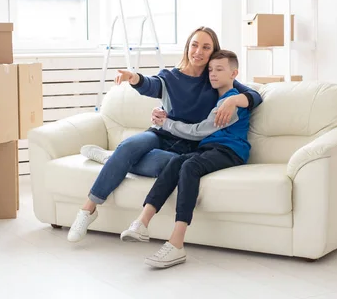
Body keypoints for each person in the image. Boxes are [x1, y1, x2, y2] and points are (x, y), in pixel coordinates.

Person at [67, 27, 262, 243]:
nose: (198, 51)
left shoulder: (214, 78)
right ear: (188, 47)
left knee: (168, 168)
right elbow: (150, 85)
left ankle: (112, 159)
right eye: (195, 45)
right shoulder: (171, 77)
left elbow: (253, 94)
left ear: (213, 52)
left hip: (188, 146)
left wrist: (234, 101)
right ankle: (87, 210)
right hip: (161, 133)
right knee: (130, 146)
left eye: (206, 47)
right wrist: (133, 77)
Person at [120, 50, 251, 268]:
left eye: (220, 69)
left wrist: (166, 124)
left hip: (231, 150)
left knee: (190, 166)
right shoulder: (216, 97)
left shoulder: (232, 101)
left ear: (234, 73)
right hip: (210, 148)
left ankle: (176, 243)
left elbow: (199, 131)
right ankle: (142, 222)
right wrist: (164, 114)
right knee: (175, 163)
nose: (213, 74)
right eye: (210, 69)